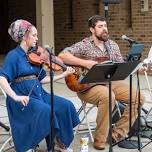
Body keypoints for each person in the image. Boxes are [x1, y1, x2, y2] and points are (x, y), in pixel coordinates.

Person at [58, 15, 145, 150]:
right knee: (107, 95)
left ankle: (117, 134)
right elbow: (62, 56)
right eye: (100, 26)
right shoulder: (84, 45)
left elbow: (121, 66)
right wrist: (86, 63)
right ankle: (100, 139)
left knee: (139, 97)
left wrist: (138, 68)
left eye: (105, 26)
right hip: (86, 85)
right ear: (92, 29)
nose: (104, 29)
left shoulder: (112, 45)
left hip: (108, 81)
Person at [0, 19, 80, 152]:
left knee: (66, 105)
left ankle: (58, 142)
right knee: (46, 110)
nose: (37, 38)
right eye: (34, 35)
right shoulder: (13, 56)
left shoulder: (34, 54)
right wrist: (15, 97)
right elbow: (2, 78)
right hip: (23, 98)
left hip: (40, 94)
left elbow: (41, 79)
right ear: (25, 37)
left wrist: (63, 75)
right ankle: (31, 144)